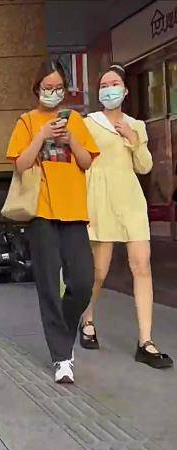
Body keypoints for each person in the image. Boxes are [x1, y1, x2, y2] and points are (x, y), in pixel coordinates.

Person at [6, 59, 99, 384]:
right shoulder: (27, 121)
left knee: (83, 282)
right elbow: (20, 165)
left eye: (58, 87)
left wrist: (71, 139)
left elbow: (86, 162)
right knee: (47, 284)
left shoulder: (76, 120)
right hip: (41, 213)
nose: (53, 92)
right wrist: (42, 135)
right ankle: (62, 357)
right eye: (48, 87)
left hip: (73, 211)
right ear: (37, 88)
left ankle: (63, 332)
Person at [81, 63, 173, 368]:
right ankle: (87, 318)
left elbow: (144, 166)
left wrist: (133, 139)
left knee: (142, 264)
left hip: (131, 200)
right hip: (99, 199)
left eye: (114, 84)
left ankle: (145, 341)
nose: (109, 90)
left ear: (125, 90)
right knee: (99, 270)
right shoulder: (89, 123)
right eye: (104, 85)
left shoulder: (137, 125)